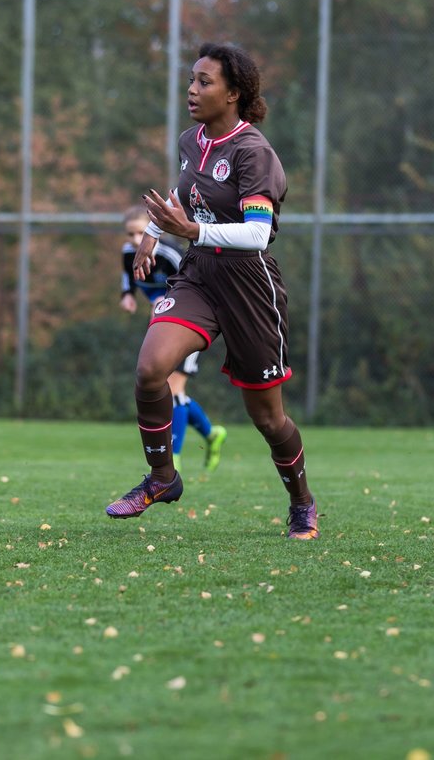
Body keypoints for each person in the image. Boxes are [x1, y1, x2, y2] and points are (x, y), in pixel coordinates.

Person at [105, 41, 319, 539]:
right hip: (200, 275)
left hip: (249, 286)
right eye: (192, 79)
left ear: (234, 94)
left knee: (268, 419)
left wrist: (191, 231)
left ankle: (302, 503)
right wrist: (154, 236)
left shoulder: (254, 153)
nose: (192, 89)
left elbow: (257, 234)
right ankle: (163, 478)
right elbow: (187, 191)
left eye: (205, 81)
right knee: (151, 368)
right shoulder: (193, 139)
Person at [119, 205, 228, 473]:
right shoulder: (129, 252)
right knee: (172, 389)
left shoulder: (169, 253)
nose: (136, 240)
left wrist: (164, 302)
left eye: (141, 233)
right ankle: (211, 434)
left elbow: (194, 283)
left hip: (187, 325)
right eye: (130, 234)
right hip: (163, 326)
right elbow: (129, 275)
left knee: (173, 389)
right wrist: (128, 295)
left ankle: (174, 459)